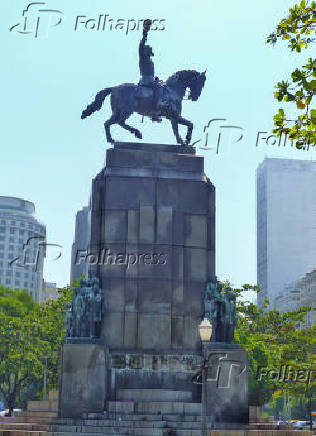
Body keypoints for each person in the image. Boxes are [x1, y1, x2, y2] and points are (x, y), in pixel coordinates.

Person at [138, 19, 163, 121]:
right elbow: (142, 44)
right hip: (146, 80)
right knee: (160, 89)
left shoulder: (149, 60)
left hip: (150, 79)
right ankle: (155, 111)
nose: (150, 51)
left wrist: (155, 78)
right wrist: (145, 32)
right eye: (149, 50)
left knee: (162, 84)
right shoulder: (143, 57)